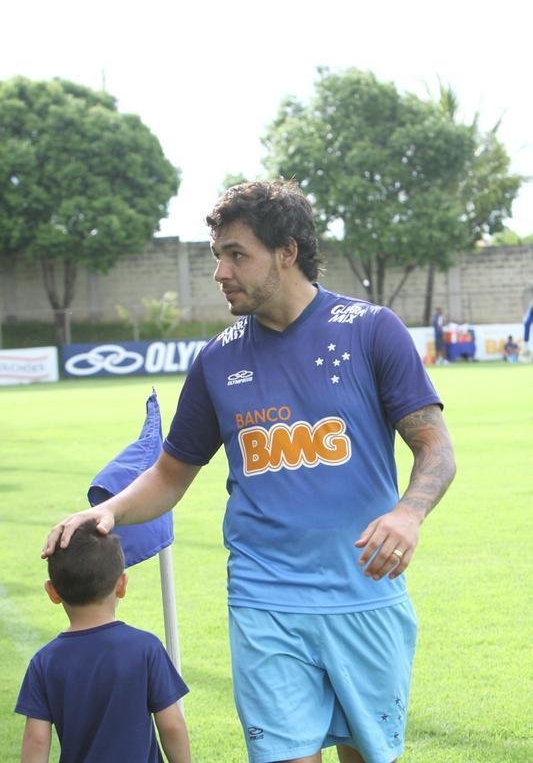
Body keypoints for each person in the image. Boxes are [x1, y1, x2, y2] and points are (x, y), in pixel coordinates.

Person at [43, 180, 456, 763]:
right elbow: (169, 473)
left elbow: (435, 446)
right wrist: (108, 508)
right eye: (218, 256)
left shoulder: (369, 330)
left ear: (287, 252)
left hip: (363, 594)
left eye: (237, 254)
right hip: (265, 598)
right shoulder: (217, 359)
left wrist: (409, 513)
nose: (221, 272)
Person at [19, 520, 190, 763]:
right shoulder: (146, 648)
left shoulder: (44, 662)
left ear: (52, 592)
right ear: (121, 584)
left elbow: (35, 740)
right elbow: (172, 725)